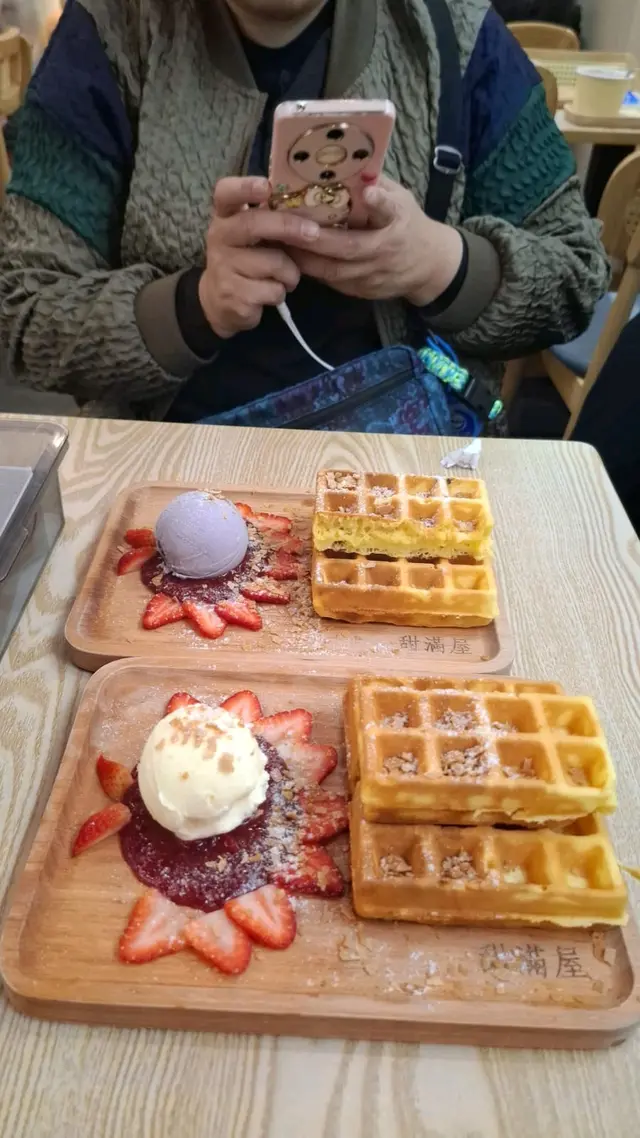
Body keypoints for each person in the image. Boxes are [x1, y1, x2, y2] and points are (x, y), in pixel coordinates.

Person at [0, 0, 608, 421]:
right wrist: (194, 307)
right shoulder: (109, 35)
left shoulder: (457, 35)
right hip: (169, 461)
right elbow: (25, 311)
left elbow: (575, 274)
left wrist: (438, 263)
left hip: (410, 464)